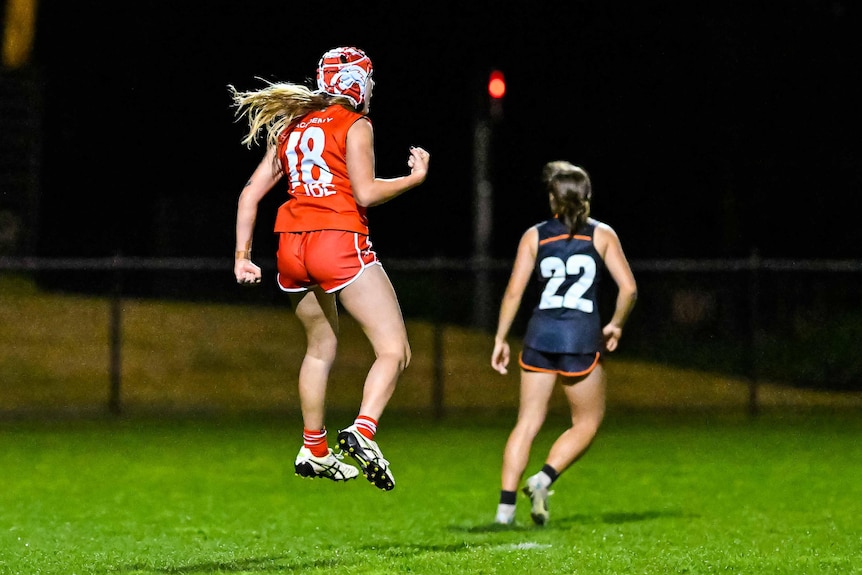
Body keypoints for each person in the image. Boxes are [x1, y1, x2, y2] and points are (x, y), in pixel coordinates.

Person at [229, 47, 430, 491]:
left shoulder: (292, 125)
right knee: (395, 350)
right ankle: (363, 430)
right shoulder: (355, 123)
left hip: (290, 249)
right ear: (357, 84)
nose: (372, 88)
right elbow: (366, 193)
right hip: (337, 241)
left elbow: (248, 195)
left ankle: (313, 448)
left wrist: (243, 256)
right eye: (370, 80)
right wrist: (413, 180)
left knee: (319, 350)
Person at [491, 161, 637, 524]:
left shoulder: (535, 235)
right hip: (581, 338)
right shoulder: (602, 235)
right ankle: (542, 479)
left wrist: (499, 337)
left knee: (526, 422)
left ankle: (504, 512)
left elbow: (513, 292)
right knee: (586, 422)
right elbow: (630, 289)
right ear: (586, 197)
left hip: (540, 334)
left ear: (552, 200)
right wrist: (616, 324)